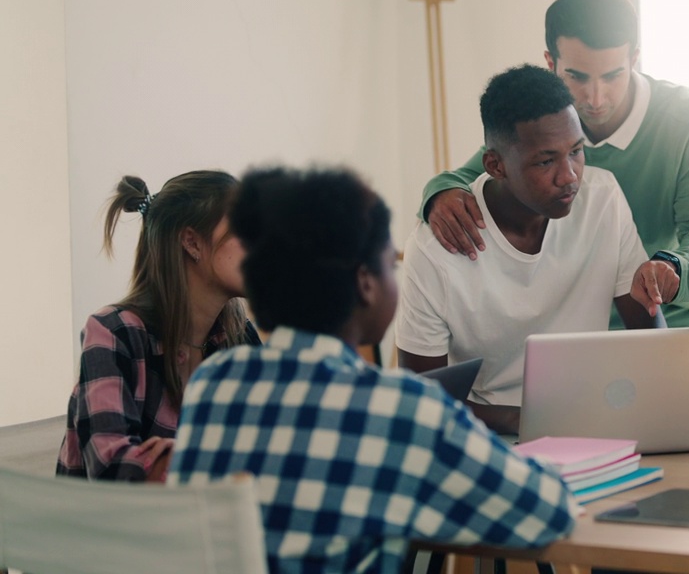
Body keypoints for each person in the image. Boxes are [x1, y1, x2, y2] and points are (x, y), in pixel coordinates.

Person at [169, 166, 576, 574]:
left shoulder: (214, 384)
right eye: (389, 265)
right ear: (365, 282)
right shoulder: (398, 409)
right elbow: (546, 511)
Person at [420, 0, 689, 330]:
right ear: (550, 63)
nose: (594, 98)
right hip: (590, 320)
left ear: (634, 59)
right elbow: (468, 175)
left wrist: (672, 269)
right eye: (576, 77)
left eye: (611, 76)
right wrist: (440, 194)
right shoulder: (545, 123)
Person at [396, 64, 657, 434]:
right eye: (546, 161)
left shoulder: (603, 199)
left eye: (577, 151)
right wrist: (525, 421)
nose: (569, 176)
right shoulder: (436, 248)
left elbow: (651, 339)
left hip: (593, 424)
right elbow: (422, 398)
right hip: (488, 438)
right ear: (495, 165)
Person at [56, 171, 259, 481]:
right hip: (109, 527)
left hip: (200, 525)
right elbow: (111, 468)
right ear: (192, 242)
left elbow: (273, 447)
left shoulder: (239, 337)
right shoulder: (114, 333)